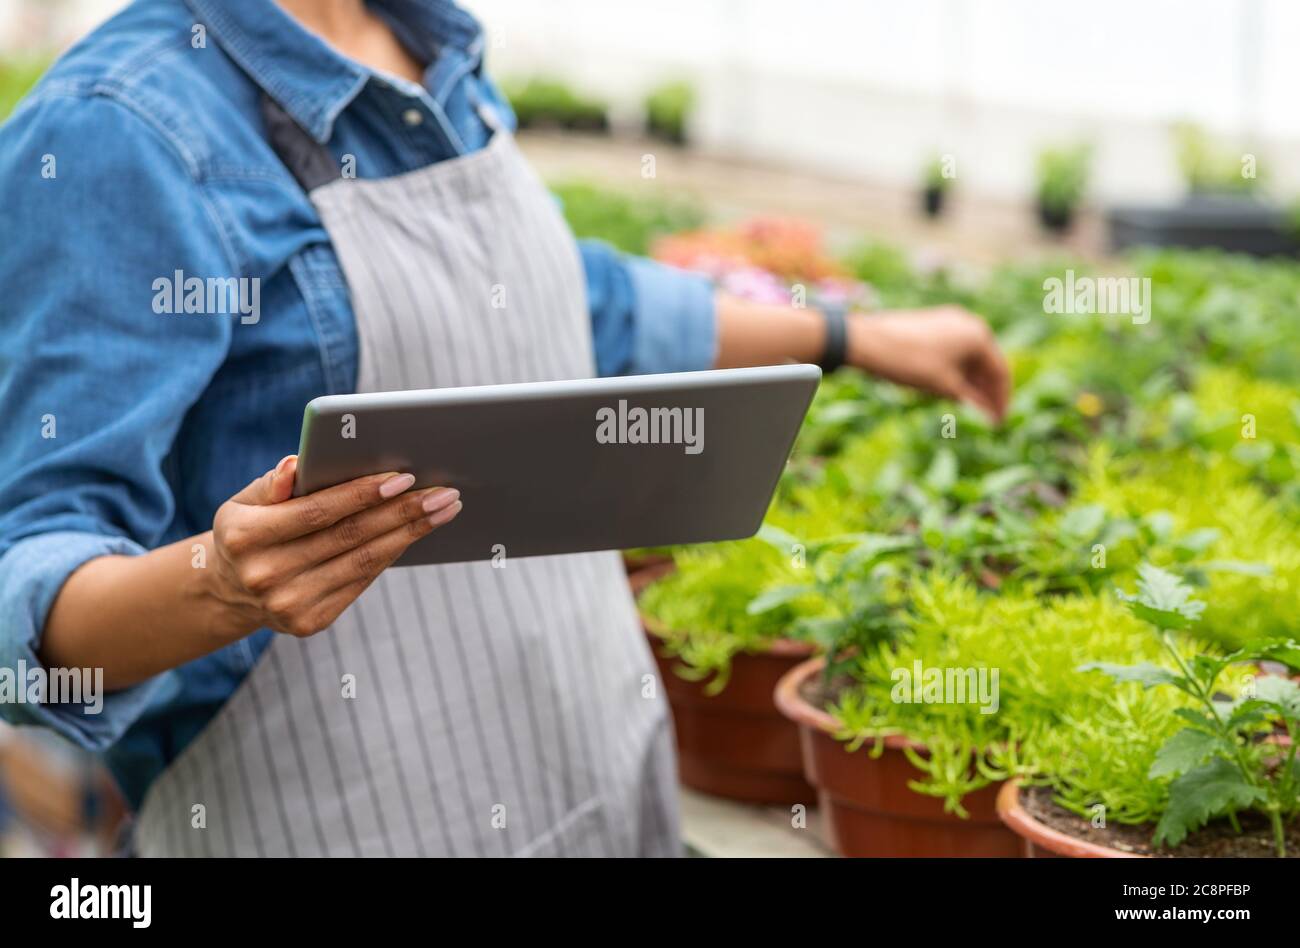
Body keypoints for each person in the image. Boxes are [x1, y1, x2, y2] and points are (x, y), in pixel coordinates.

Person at [0, 0, 1009, 857]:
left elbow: (577, 301)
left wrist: (851, 335)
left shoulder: (430, 42)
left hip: (593, 772)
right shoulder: (118, 126)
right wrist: (217, 586)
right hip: (336, 814)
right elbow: (32, 570)